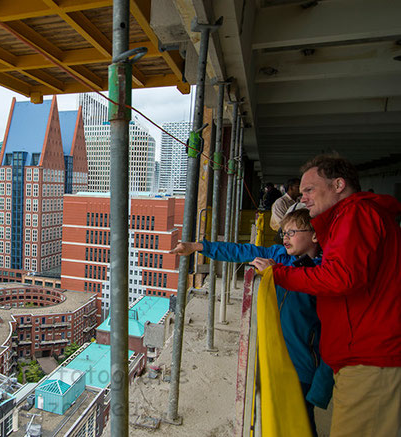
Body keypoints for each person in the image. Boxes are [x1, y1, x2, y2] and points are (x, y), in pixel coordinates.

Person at [251, 155, 401, 437]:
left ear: (339, 185)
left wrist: (280, 274)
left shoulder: (355, 215)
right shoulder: (349, 220)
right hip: (361, 356)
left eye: (309, 189)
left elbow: (341, 277)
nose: (302, 197)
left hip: (369, 358)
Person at [171, 209, 333, 435]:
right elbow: (243, 251)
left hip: (302, 369)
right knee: (273, 417)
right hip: (275, 356)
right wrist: (199, 247)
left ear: (315, 235)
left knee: (301, 424)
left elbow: (333, 335)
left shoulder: (324, 276)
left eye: (292, 232)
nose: (285, 238)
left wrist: (322, 387)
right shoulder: (281, 256)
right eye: (283, 233)